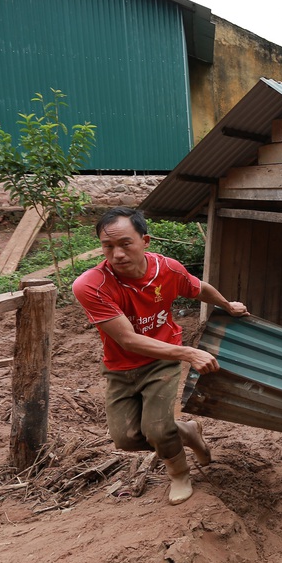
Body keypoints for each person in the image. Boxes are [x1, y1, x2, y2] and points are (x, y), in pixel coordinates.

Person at [72, 207, 248, 505]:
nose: (117, 254)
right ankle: (188, 432)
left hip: (162, 359)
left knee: (156, 429)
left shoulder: (167, 269)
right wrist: (189, 352)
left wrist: (226, 305)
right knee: (126, 438)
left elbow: (198, 288)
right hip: (120, 366)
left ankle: (178, 474)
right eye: (108, 246)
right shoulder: (91, 285)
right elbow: (127, 339)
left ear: (145, 240)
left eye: (125, 243)